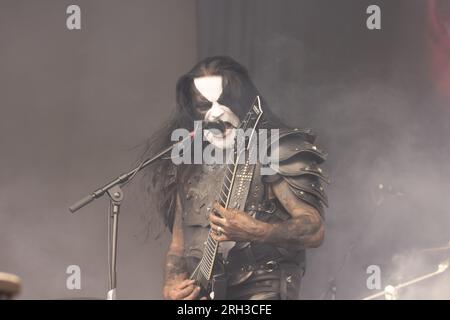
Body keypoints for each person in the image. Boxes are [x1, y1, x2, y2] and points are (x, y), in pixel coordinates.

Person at [143, 56, 329, 300]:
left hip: (263, 291)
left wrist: (258, 231)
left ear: (244, 101)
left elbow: (313, 229)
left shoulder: (274, 148)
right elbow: (179, 245)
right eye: (204, 106)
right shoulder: (190, 161)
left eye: (225, 101)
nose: (216, 113)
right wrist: (173, 281)